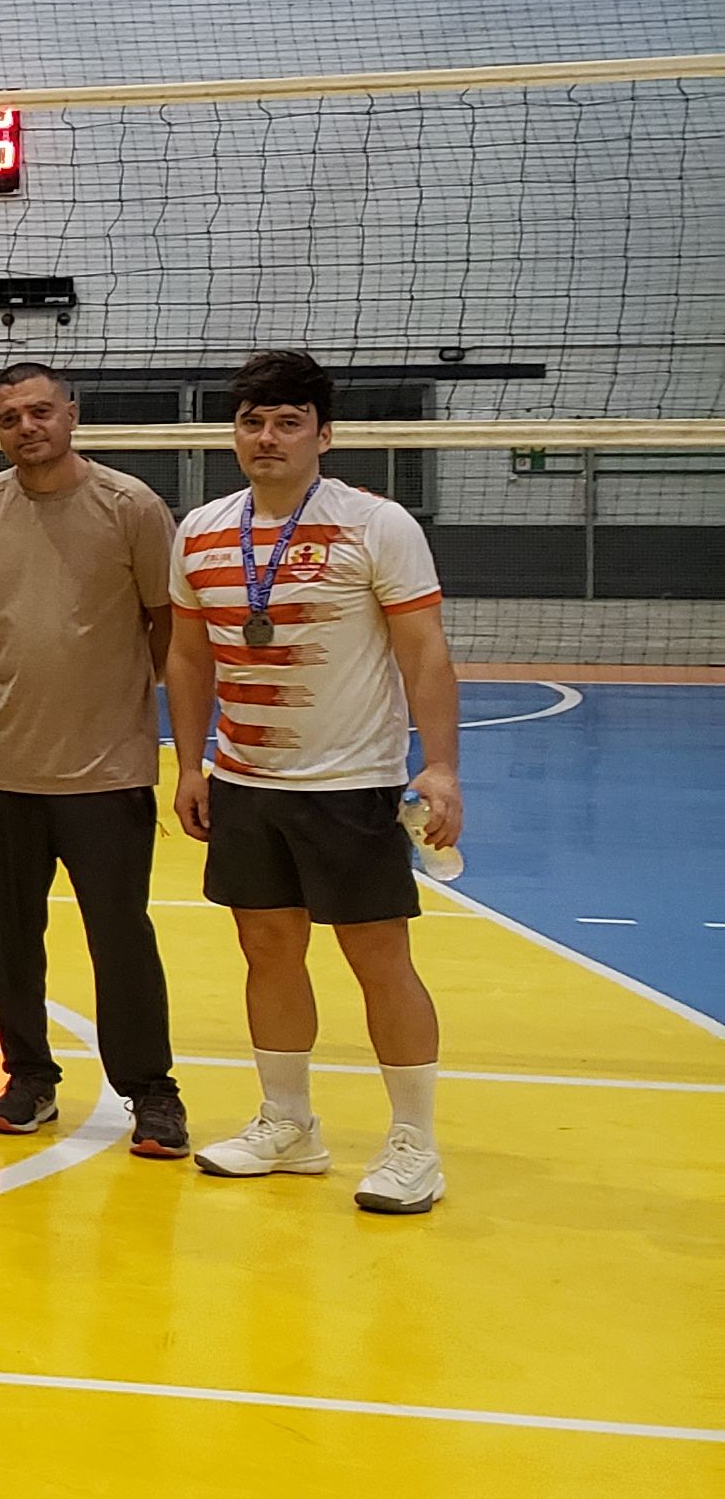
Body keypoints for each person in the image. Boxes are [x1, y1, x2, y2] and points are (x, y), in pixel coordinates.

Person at [168, 349, 460, 1215]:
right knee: (267, 949)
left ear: (323, 435)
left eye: (288, 422)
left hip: (351, 783)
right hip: (245, 779)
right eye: (253, 422)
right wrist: (189, 763)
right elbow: (188, 656)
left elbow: (423, 651)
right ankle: (289, 1124)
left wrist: (441, 766)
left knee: (378, 958)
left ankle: (415, 1144)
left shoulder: (377, 524)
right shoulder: (201, 530)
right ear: (235, 434)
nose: (268, 437)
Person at [0, 361, 186, 1153]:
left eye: (40, 411)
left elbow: (166, 622)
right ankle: (29, 1077)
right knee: (9, 937)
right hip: (4, 767)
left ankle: (151, 1091)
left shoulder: (132, 506)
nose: (27, 427)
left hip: (108, 769)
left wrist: (116, 691)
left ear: (72, 414)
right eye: (9, 417)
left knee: (120, 938)